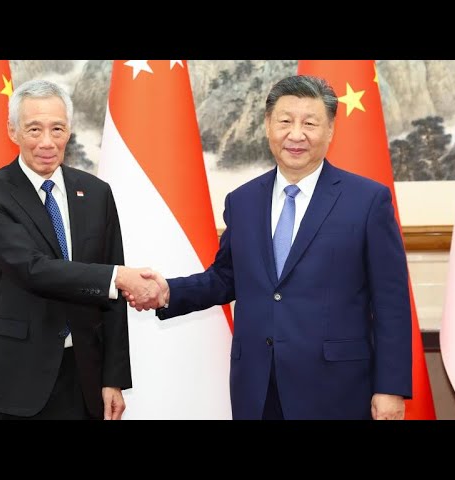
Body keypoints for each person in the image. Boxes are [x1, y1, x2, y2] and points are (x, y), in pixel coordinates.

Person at [127, 75, 412, 420]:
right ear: (267, 126)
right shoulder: (243, 201)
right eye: (285, 121)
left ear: (331, 130)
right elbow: (226, 277)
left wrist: (391, 387)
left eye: (310, 123)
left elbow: (391, 302)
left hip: (337, 389)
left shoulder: (367, 200)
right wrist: (167, 291)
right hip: (258, 387)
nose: (296, 134)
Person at [0, 79, 163, 420]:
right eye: (34, 129)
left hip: (83, 378)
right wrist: (119, 277)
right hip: (15, 380)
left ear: (70, 130)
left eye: (57, 129)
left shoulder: (96, 193)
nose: (46, 142)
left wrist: (113, 378)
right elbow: (32, 268)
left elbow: (110, 299)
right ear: (13, 131)